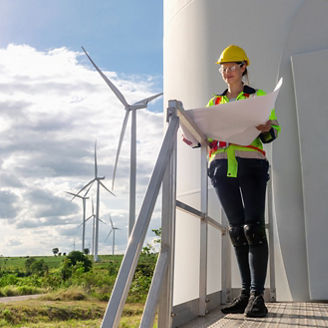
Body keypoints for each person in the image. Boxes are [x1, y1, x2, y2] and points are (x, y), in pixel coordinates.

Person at [207, 45, 280, 317]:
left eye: (231, 66)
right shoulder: (213, 103)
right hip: (221, 167)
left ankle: (257, 297)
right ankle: (245, 294)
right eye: (222, 68)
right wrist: (192, 136)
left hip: (251, 165)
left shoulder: (258, 97)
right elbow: (205, 136)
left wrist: (268, 128)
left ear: (243, 67)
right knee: (237, 231)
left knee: (254, 229)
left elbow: (273, 132)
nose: (226, 72)